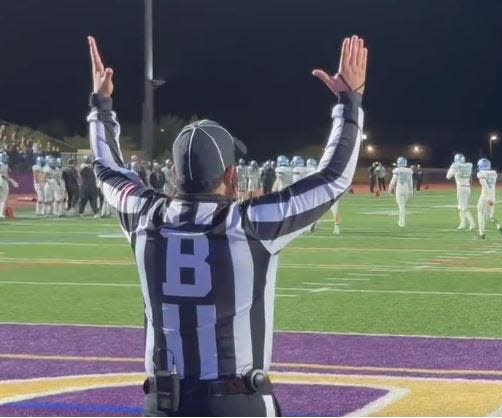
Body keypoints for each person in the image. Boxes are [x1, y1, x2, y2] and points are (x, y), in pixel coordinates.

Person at [86, 34, 366, 416]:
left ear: (174, 174)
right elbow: (333, 176)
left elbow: (105, 169)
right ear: (232, 176)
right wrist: (349, 103)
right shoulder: (248, 224)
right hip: (234, 402)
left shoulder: (143, 215)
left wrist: (101, 107)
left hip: (164, 403)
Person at [476, 158, 502, 239]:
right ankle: (499, 226)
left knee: (480, 212)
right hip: (493, 195)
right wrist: (490, 197)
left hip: (485, 195)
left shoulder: (481, 173)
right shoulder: (494, 173)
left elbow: (485, 185)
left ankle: (481, 233)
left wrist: (488, 196)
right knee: (491, 216)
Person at [446, 153, 475, 231]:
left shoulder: (456, 166)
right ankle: (462, 224)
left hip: (461, 188)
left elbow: (448, 176)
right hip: (467, 187)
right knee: (460, 207)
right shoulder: (469, 165)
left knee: (463, 207)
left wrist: (453, 168)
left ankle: (472, 223)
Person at [388, 156, 413, 227]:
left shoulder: (397, 170)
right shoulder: (409, 171)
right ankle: (401, 220)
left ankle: (401, 221)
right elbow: (410, 182)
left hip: (399, 188)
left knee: (401, 206)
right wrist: (411, 191)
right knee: (403, 206)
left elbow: (393, 180)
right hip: (406, 189)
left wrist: (390, 188)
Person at [0, 152, 19, 218]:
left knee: (2, 199)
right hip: (2, 181)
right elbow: (2, 175)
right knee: (3, 199)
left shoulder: (5, 165)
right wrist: (11, 180)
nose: (6, 159)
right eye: (5, 157)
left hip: (3, 181)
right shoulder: (2, 165)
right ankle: (1, 214)